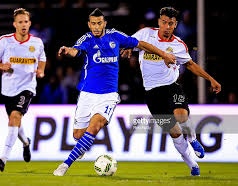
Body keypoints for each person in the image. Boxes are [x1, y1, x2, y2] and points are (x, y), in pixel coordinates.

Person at [53, 8, 176, 176]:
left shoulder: (115, 36)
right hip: (87, 94)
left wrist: (163, 54)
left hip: (109, 95)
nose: (96, 27)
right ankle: (80, 147)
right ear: (89, 25)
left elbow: (141, 44)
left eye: (99, 23)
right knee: (78, 135)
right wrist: (68, 50)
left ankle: (65, 164)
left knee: (95, 126)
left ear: (105, 23)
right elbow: (75, 50)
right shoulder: (87, 39)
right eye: (93, 24)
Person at [121, 7, 221, 176]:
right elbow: (131, 43)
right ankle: (192, 165)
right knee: (174, 131)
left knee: (181, 115)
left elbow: (190, 64)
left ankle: (193, 140)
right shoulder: (145, 34)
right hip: (152, 93)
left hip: (170, 86)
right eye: (164, 22)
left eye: (171, 24)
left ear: (175, 25)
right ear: (159, 22)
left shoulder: (178, 45)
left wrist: (210, 79)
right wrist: (130, 49)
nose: (167, 26)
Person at [0, 8, 46, 172]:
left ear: (29, 24)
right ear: (14, 24)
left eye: (26, 22)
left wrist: (41, 71)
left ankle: (2, 159)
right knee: (15, 121)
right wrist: (1, 66)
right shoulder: (5, 41)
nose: (23, 25)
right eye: (20, 22)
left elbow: (42, 60)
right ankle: (26, 142)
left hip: (27, 87)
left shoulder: (37, 42)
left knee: (14, 117)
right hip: (8, 89)